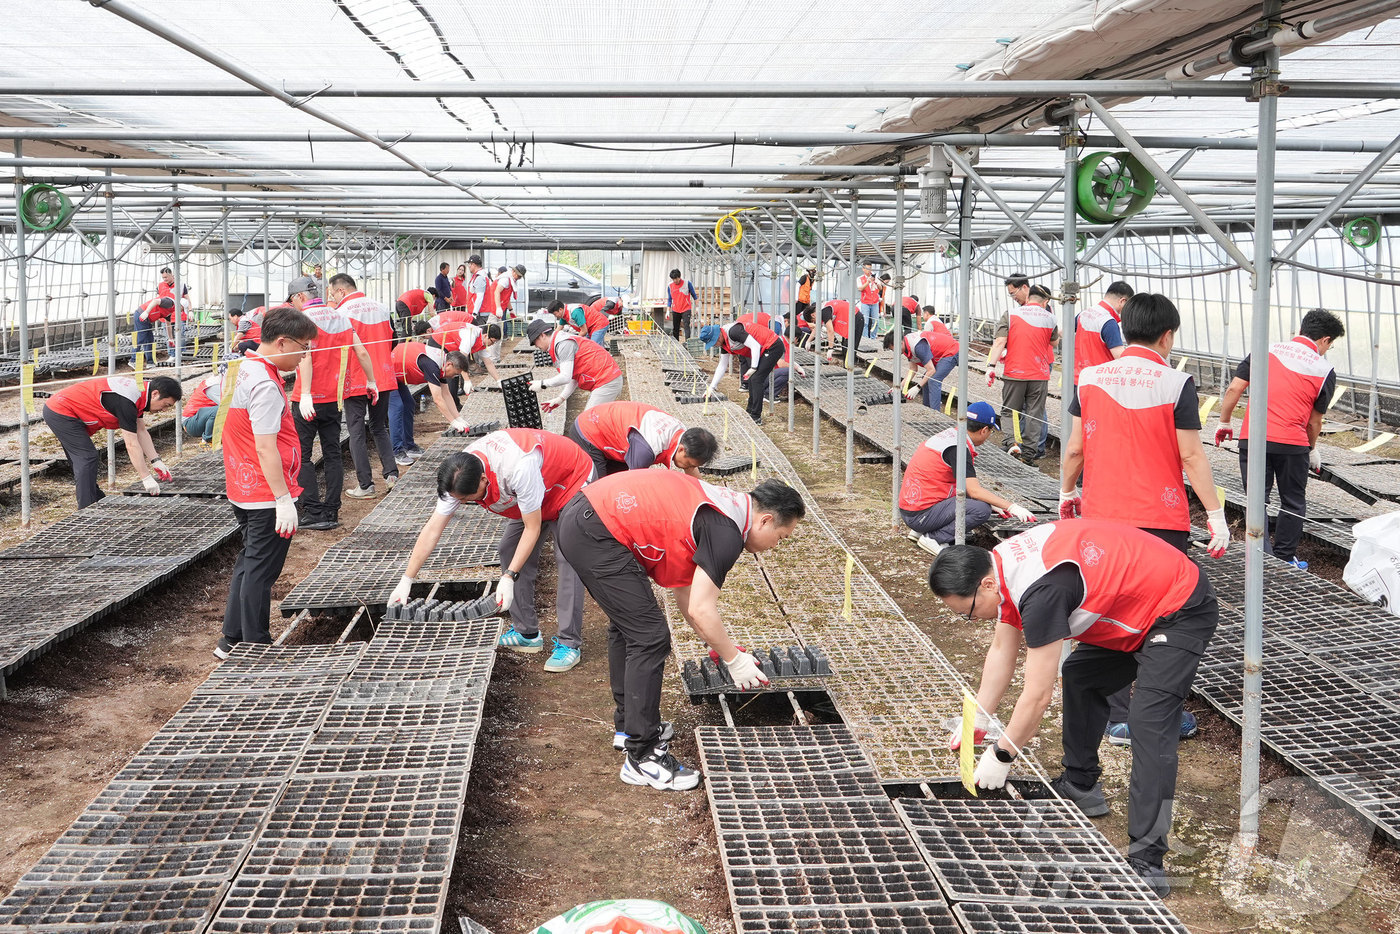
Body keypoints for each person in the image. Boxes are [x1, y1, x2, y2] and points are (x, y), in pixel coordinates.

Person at [930, 522, 1220, 896]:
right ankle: (1081, 784)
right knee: (1082, 674)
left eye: (967, 612)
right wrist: (980, 719)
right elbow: (1002, 650)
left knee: (1149, 723)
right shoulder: (999, 568)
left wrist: (1002, 755)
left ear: (985, 585)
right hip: (1134, 602)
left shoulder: (1041, 590)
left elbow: (1037, 695)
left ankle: (1149, 860)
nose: (969, 620)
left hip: (1179, 606)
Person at [557, 472, 805, 789]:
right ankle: (642, 756)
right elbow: (701, 608)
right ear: (765, 520)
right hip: (597, 528)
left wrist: (716, 644)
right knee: (649, 637)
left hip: (587, 515)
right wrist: (734, 660)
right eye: (781, 538)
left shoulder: (724, 508)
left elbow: (687, 593)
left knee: (629, 627)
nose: (776, 546)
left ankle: (629, 727)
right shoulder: (726, 532)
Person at [1062, 293, 1230, 745]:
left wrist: (1066, 493)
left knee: (1106, 611)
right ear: (1167, 334)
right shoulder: (1175, 383)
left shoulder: (1090, 378)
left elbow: (1076, 448)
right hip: (1160, 520)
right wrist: (1216, 518)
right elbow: (1192, 456)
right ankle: (1156, 715)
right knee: (1163, 620)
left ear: (1126, 326)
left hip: (1101, 517)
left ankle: (1116, 718)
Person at [389, 428, 594, 673]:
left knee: (567, 555)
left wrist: (509, 577)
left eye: (468, 499)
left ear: (485, 480)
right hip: (535, 491)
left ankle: (569, 642)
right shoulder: (458, 475)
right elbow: (433, 529)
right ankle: (526, 633)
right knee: (509, 548)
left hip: (569, 482)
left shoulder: (517, 468)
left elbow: (532, 528)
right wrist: (407, 579)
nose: (463, 504)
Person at [215, 306, 319, 660]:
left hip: (242, 483)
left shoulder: (247, 367)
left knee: (249, 562)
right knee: (261, 570)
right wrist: (283, 499)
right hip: (263, 491)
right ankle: (255, 645)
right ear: (281, 342)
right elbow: (265, 444)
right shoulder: (265, 385)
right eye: (303, 347)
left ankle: (231, 639)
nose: (306, 354)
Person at [1215, 308, 1346, 570]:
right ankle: (1284, 559)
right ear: (1325, 340)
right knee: (1293, 501)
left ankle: (1259, 558)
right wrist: (1311, 449)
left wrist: (1225, 422)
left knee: (1256, 499)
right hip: (1292, 443)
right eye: (1329, 345)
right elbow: (1314, 421)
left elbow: (1234, 388)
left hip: (1253, 440)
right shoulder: (1324, 369)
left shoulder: (1265, 350)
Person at [287, 276, 377, 533]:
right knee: (332, 453)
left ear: (300, 297)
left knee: (303, 456)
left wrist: (304, 393)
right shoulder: (340, 316)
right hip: (334, 398)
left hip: (307, 400)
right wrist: (371, 380)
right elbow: (360, 351)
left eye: (292, 300)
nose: (292, 306)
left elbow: (305, 356)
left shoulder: (302, 320)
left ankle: (312, 511)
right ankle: (331, 509)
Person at [899, 402, 1035, 554]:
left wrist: (992, 501)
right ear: (984, 430)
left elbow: (963, 486)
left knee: (980, 503)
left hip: (911, 508)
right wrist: (1011, 506)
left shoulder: (950, 437)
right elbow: (974, 491)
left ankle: (923, 530)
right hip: (921, 514)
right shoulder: (958, 448)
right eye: (991, 431)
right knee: (982, 510)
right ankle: (934, 537)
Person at [43, 374, 182, 508]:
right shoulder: (127, 401)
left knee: (84, 460)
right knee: (86, 458)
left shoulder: (141, 393)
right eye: (166, 405)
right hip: (60, 410)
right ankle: (86, 509)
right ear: (155, 394)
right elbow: (131, 444)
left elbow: (141, 431)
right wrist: (145, 477)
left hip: (65, 408)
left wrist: (156, 460)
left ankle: (95, 498)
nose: (164, 410)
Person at [329, 274, 399, 499]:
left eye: (332, 294)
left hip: (356, 380)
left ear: (340, 291)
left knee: (356, 432)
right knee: (379, 427)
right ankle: (391, 475)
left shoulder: (342, 312)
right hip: (384, 376)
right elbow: (394, 340)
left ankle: (366, 485)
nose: (333, 298)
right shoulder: (381, 307)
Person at [985, 276, 1057, 461]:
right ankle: (1029, 454)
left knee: (1009, 410)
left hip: (1015, 372)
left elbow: (1000, 341)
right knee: (1035, 413)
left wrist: (991, 366)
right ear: (1045, 301)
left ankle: (1011, 443)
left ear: (1028, 292)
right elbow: (1054, 341)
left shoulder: (1011, 314)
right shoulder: (1050, 317)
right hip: (1040, 374)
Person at [568, 401, 718, 478]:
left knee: (616, 479)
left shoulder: (683, 435)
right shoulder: (647, 448)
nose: (689, 468)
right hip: (589, 431)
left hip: (611, 433)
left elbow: (692, 473)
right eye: (690, 464)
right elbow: (635, 484)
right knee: (599, 486)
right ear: (681, 449)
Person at [389, 341, 470, 465]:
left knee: (409, 403)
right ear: (449, 364)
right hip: (387, 371)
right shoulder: (431, 365)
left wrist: (459, 418)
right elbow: (437, 399)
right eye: (455, 373)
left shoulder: (441, 363)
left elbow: (446, 394)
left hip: (397, 374)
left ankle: (409, 446)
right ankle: (397, 451)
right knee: (397, 407)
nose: (453, 377)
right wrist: (453, 422)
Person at [528, 318, 624, 412]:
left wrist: (542, 383)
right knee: (593, 420)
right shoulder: (559, 343)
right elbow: (574, 377)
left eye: (535, 342)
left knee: (589, 421)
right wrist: (560, 399)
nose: (536, 346)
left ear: (542, 335)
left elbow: (565, 377)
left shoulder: (563, 344)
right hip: (606, 379)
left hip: (607, 380)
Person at [705, 315, 784, 424]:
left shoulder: (733, 332)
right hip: (763, 349)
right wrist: (711, 387)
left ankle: (756, 416)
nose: (715, 346)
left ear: (718, 336)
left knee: (756, 379)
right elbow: (722, 365)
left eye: (714, 343)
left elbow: (755, 345)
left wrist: (753, 367)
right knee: (752, 379)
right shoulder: (724, 343)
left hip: (773, 345)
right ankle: (750, 411)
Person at [885, 320, 959, 410]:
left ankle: (935, 414)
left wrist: (917, 387)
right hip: (941, 353)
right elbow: (913, 369)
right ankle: (927, 410)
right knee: (926, 378)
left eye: (894, 349)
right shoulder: (905, 347)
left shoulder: (917, 346)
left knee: (933, 380)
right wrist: (900, 386)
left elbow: (931, 370)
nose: (894, 352)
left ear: (900, 343)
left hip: (952, 350)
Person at [1073, 281, 1132, 386]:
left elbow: (1063, 332)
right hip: (1099, 382)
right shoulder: (1108, 322)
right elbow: (1120, 356)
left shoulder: (1084, 313)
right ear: (1123, 301)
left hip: (1079, 377)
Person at [182, 369, 224, 444]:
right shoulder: (214, 385)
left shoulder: (223, 381)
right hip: (191, 422)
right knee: (222, 409)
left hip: (200, 418)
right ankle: (208, 439)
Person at [816, 298, 864, 365]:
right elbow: (817, 328)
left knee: (851, 346)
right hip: (848, 319)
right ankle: (846, 365)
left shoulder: (824, 311)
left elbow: (830, 331)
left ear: (813, 315)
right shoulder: (823, 310)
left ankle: (849, 367)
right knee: (845, 344)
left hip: (857, 318)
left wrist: (830, 348)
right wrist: (808, 341)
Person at [666, 269, 698, 341]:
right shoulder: (670, 286)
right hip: (675, 309)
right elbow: (669, 299)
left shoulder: (687, 283)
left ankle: (687, 343)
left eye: (676, 279)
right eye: (673, 279)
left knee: (686, 326)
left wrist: (697, 307)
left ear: (679, 277)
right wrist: (668, 310)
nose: (675, 281)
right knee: (676, 327)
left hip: (686, 309)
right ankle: (676, 343)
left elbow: (694, 295)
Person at [857, 262, 881, 338]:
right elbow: (860, 288)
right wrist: (868, 282)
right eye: (867, 268)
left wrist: (877, 283)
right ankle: (865, 338)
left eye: (870, 268)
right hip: (865, 302)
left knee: (875, 321)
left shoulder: (876, 277)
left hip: (875, 302)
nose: (869, 270)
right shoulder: (860, 278)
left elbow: (880, 289)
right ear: (863, 269)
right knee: (865, 322)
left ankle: (873, 337)